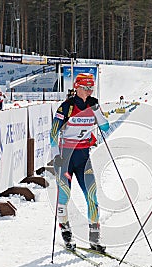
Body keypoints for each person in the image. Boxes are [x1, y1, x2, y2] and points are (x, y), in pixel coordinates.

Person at [50, 73, 110, 252]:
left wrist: (97, 110)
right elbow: (53, 133)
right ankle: (66, 232)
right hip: (66, 157)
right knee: (64, 196)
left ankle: (94, 237)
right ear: (77, 88)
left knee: (92, 195)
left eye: (91, 87)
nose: (89, 91)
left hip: (83, 157)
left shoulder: (93, 106)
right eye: (86, 87)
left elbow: (106, 127)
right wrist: (56, 155)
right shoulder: (66, 107)